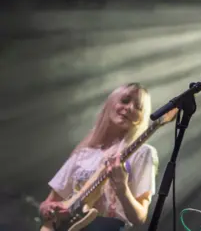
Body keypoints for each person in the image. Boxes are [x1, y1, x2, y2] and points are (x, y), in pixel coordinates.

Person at [39, 83, 159, 231]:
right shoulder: (84, 152)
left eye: (138, 107)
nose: (129, 108)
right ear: (111, 103)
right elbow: (48, 202)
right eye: (125, 100)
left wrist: (122, 188)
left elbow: (139, 217)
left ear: (141, 118)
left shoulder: (143, 152)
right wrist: (47, 210)